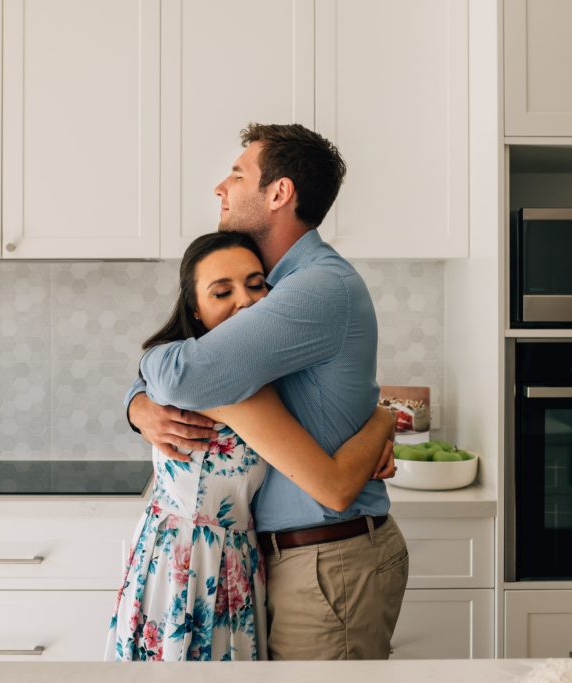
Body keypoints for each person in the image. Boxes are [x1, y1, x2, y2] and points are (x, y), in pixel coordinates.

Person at [126, 123, 409, 660]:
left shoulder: (315, 287)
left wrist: (380, 421)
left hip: (329, 563)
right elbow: (197, 366)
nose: (220, 188)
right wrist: (138, 405)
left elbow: (189, 374)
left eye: (237, 174)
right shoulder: (277, 289)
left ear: (279, 193)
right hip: (282, 562)